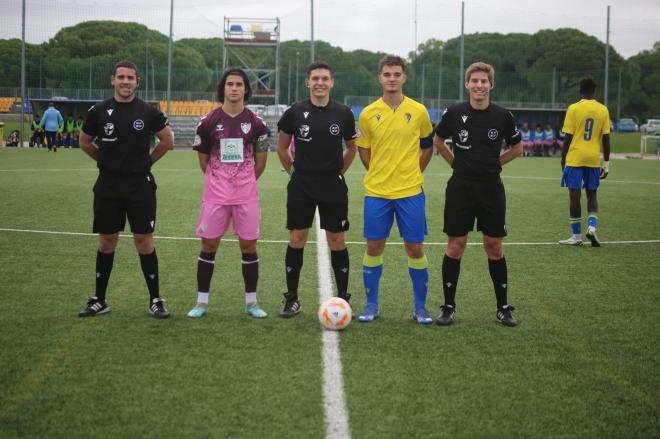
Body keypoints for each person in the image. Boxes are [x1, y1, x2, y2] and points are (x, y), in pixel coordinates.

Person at [77, 60, 174, 318]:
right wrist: (104, 161)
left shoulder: (148, 111)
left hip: (139, 186)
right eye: (121, 77)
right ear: (113, 80)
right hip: (108, 185)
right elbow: (84, 141)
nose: (125, 82)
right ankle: (99, 300)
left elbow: (167, 140)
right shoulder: (98, 111)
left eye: (130, 78)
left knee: (144, 241)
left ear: (137, 82)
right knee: (107, 241)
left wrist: (147, 163)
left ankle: (155, 299)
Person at [433, 61, 523, 327]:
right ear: (467, 84)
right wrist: (455, 163)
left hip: (491, 188)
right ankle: (448, 307)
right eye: (475, 81)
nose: (479, 86)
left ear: (491, 85)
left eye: (484, 81)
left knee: (494, 247)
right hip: (460, 187)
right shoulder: (455, 112)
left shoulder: (503, 116)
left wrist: (496, 164)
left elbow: (517, 148)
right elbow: (438, 140)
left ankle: (503, 308)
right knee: (455, 245)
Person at [355, 55, 434, 324]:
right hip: (377, 192)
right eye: (387, 74)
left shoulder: (419, 111)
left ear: (404, 77)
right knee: (374, 246)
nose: (392, 78)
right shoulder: (367, 113)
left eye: (396, 74)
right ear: (380, 78)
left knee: (415, 248)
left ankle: (420, 308)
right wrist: (377, 172)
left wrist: (412, 172)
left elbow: (427, 147)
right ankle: (371, 305)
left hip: (410, 191)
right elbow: (362, 149)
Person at [187, 68, 270, 319]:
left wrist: (241, 183)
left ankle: (251, 303)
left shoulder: (258, 124)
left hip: (246, 197)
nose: (234, 88)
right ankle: (201, 303)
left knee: (248, 246)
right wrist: (219, 181)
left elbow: (261, 162)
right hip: (215, 196)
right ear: (223, 88)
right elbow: (203, 160)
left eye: (239, 84)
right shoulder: (208, 122)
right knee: (209, 244)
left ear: (246, 89)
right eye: (229, 84)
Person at [276, 60, 357, 318]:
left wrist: (338, 172)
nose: (320, 83)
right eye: (315, 78)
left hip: (332, 184)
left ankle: (344, 298)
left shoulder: (343, 112)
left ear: (332, 82)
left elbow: (352, 147)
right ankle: (291, 299)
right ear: (307, 82)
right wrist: (294, 173)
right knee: (297, 238)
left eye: (325, 78)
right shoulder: (294, 112)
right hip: (302, 185)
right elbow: (281, 147)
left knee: (338, 239)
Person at [559, 77, 610, 247]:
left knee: (574, 196)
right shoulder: (603, 109)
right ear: (595, 91)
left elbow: (568, 136)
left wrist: (563, 158)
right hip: (593, 158)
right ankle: (592, 228)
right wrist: (607, 164)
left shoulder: (574, 108)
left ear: (580, 90)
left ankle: (576, 237)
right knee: (592, 194)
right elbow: (606, 139)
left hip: (575, 157)